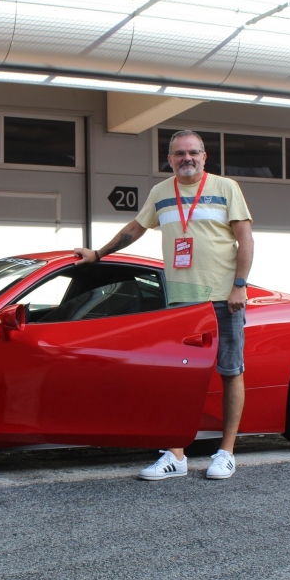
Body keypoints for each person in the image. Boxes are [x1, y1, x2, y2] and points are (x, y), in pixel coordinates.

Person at [74, 130, 253, 480]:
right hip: (181, 303)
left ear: (204, 157)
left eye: (193, 153)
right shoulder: (160, 193)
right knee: (178, 378)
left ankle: (226, 452)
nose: (187, 158)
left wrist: (239, 286)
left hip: (222, 299)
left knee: (231, 372)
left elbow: (245, 237)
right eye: (178, 154)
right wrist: (98, 254)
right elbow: (135, 229)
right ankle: (176, 454)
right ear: (169, 160)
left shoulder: (226, 188)